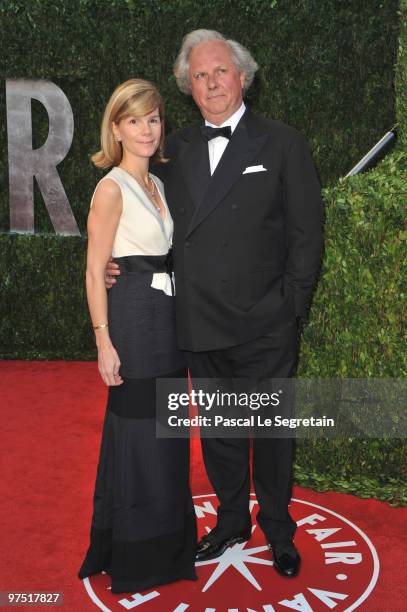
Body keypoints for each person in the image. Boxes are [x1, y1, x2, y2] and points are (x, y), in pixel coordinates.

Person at [106, 30, 323, 578]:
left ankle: (279, 528)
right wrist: (118, 263)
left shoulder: (282, 142)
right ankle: (230, 522)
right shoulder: (172, 149)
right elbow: (139, 213)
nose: (211, 82)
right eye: (199, 76)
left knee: (273, 436)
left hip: (267, 322)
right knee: (222, 433)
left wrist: (292, 306)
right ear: (189, 88)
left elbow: (307, 234)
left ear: (242, 76)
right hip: (200, 321)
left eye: (220, 71)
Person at [78, 79, 197, 594]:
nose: (146, 130)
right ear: (116, 128)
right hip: (133, 321)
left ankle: (168, 541)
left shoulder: (159, 185)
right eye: (134, 121)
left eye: (153, 119)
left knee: (167, 430)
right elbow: (93, 270)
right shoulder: (110, 188)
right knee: (139, 434)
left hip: (167, 322)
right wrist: (104, 341)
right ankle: (136, 551)